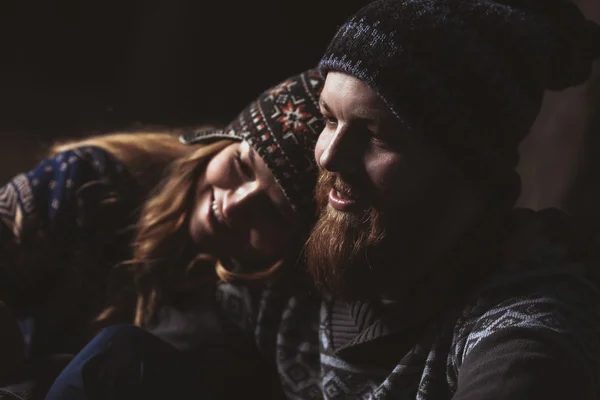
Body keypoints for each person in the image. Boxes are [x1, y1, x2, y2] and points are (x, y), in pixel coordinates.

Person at [213, 0, 600, 399]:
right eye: (330, 118)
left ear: (463, 165)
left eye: (376, 134)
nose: (329, 156)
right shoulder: (300, 255)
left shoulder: (523, 331)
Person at [43, 69, 325, 400]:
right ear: (223, 142)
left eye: (274, 212)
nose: (234, 206)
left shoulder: (263, 317)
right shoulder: (89, 181)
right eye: (242, 167)